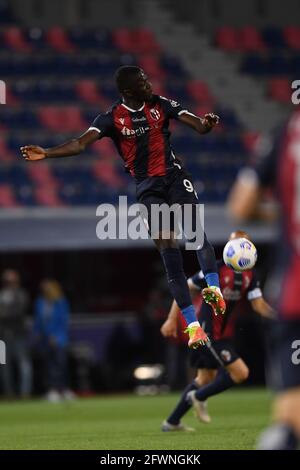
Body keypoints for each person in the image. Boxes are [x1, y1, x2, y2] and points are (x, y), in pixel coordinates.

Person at [20, 65, 226, 349]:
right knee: (171, 253)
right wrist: (47, 152)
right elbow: (80, 144)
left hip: (175, 178)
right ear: (128, 91)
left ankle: (212, 291)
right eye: (142, 81)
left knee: (193, 234)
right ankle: (193, 325)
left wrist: (208, 124)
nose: (148, 83)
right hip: (148, 189)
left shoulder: (161, 104)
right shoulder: (111, 119)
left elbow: (198, 125)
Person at [227, 110, 300, 450]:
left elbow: (241, 206)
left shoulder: (284, 132)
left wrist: (282, 212)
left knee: (290, 413)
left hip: (293, 293)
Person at [160, 231, 273, 431]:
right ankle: (198, 396)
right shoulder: (216, 268)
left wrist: (282, 317)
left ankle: (171, 422)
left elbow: (258, 305)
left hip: (223, 333)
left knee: (205, 379)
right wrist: (171, 319)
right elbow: (185, 287)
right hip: (207, 331)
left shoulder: (250, 274)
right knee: (240, 373)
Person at [33, 279, 73, 402]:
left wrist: (56, 336)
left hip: (59, 339)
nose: (45, 290)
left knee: (60, 365)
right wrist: (37, 335)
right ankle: (52, 389)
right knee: (49, 366)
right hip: (45, 340)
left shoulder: (61, 302)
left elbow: (63, 322)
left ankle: (64, 389)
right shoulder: (39, 302)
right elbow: (38, 322)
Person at [0, 269, 32, 398]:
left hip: (18, 334)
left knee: (23, 363)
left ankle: (25, 392)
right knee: (4, 366)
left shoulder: (21, 294)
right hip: (2, 336)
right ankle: (9, 393)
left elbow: (19, 311)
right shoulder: (1, 294)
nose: (9, 283)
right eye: (7, 281)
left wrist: (4, 313)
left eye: (11, 281)